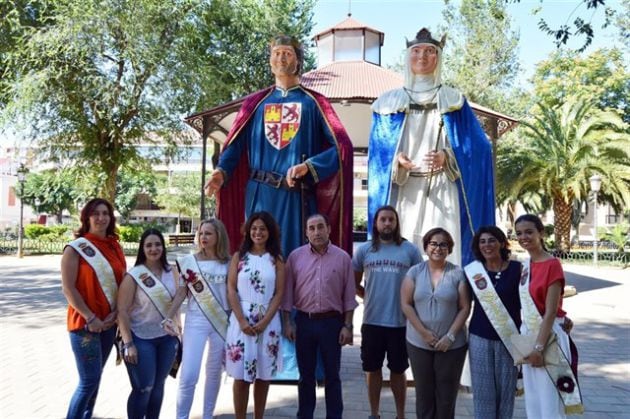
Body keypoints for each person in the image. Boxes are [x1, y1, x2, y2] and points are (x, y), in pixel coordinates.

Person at [204, 35, 353, 257]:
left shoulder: (314, 103)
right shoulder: (255, 104)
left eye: (287, 53)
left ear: (298, 61)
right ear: (270, 61)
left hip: (295, 196)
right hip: (259, 194)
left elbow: (341, 148)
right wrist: (221, 172)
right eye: (276, 53)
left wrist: (309, 166)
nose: (281, 58)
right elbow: (235, 147)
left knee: (294, 259)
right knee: (257, 259)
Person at [367, 27, 495, 266]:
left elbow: (480, 147)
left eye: (429, 51)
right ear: (408, 56)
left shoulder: (452, 99)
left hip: (442, 187)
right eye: (416, 51)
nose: (422, 57)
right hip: (404, 189)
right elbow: (378, 153)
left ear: (438, 57)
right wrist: (396, 160)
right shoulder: (388, 103)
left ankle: (446, 299)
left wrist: (448, 156)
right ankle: (401, 301)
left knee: (441, 249)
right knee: (404, 251)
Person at [282, 213, 357, 419]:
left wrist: (348, 326)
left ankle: (334, 416)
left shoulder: (342, 258)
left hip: (332, 323)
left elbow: (349, 297)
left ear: (329, 229)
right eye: (312, 228)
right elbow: (287, 294)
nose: (316, 232)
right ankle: (304, 415)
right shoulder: (295, 257)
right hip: (304, 322)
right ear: (306, 232)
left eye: (320, 227)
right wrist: (287, 323)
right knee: (306, 376)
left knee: (332, 376)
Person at [353, 205, 421, 419]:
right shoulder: (364, 250)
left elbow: (419, 284)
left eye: (391, 219)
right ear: (376, 223)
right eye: (383, 219)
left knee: (398, 370)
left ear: (396, 222)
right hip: (372, 321)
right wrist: (371, 298)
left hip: (400, 323)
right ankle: (374, 413)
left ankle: (400, 414)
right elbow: (355, 284)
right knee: (372, 369)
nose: (387, 223)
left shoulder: (410, 250)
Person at [61, 198, 126, 419]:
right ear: (86, 218)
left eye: (105, 213)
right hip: (84, 324)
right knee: (88, 382)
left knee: (95, 379)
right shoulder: (75, 249)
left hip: (108, 323)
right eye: (95, 213)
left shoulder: (115, 246)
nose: (101, 218)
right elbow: (69, 289)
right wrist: (91, 318)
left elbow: (121, 283)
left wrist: (116, 314)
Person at [514, 214, 583, 417]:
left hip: (548, 337)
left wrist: (538, 347)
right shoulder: (525, 265)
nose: (523, 237)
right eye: (519, 233)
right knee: (534, 397)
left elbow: (551, 311)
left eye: (529, 232)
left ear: (541, 233)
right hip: (529, 334)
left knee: (550, 398)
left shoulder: (552, 265)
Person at [163, 219, 231, 419]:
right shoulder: (188, 263)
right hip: (196, 321)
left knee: (214, 373)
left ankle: (208, 415)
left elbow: (233, 294)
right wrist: (168, 316)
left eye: (208, 233)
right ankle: (181, 416)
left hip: (221, 321)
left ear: (219, 236)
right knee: (189, 374)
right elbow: (182, 293)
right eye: (201, 233)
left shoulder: (229, 263)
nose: (203, 238)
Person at [400, 227, 470, 419]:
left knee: (446, 396)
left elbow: (465, 307)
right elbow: (406, 304)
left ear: (449, 248)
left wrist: (450, 336)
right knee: (424, 394)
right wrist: (423, 333)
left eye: (443, 244)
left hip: (452, 345)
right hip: (418, 343)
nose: (438, 248)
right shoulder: (414, 272)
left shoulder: (457, 273)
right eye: (433, 243)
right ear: (426, 246)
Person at [224, 211, 285, 419]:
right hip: (241, 322)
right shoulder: (238, 257)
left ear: (270, 232)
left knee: (263, 375)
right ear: (248, 231)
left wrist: (265, 321)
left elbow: (279, 293)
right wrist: (241, 320)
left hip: (268, 322)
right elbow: (231, 289)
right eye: (254, 228)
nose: (258, 232)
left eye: (263, 228)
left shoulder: (276, 260)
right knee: (241, 377)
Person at [117, 229, 179, 419]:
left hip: (167, 339)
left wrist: (179, 333)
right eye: (149, 245)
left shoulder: (173, 272)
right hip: (140, 338)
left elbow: (177, 304)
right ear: (142, 249)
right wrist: (128, 344)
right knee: (144, 388)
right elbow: (122, 311)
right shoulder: (134, 276)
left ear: (163, 247)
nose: (154, 249)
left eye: (158, 244)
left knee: (159, 386)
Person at [463, 226, 522, 419]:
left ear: (502, 243)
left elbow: (532, 303)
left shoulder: (518, 269)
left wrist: (559, 317)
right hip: (480, 337)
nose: (487, 245)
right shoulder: (473, 272)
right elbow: (462, 305)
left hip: (510, 338)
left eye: (491, 240)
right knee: (483, 393)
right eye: (482, 241)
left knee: (506, 393)